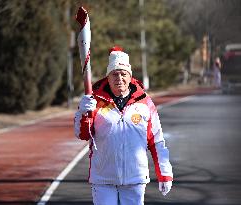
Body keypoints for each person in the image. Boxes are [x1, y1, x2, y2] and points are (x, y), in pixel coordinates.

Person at [74, 46, 173, 205]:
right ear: (108, 77)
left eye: (123, 74)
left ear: (130, 76)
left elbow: (156, 141)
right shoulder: (95, 102)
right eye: (114, 74)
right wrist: (82, 113)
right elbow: (82, 134)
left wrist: (165, 173)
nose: (119, 78)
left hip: (135, 178)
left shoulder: (145, 102)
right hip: (103, 178)